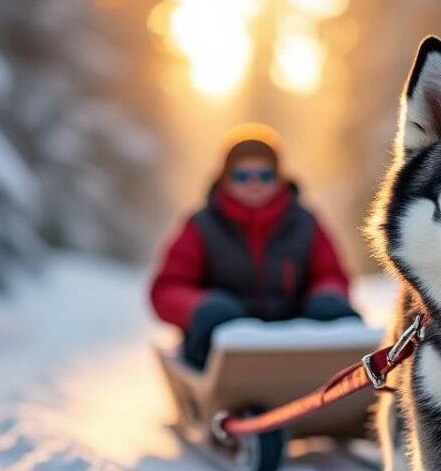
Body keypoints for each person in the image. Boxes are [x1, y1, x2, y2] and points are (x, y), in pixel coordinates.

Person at [150, 123, 360, 369]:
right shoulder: (201, 225)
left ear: (278, 177)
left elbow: (331, 273)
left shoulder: (305, 223)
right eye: (242, 176)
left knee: (334, 311)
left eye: (264, 175)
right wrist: (200, 306)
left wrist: (327, 297)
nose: (254, 183)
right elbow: (167, 288)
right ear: (225, 178)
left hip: (293, 341)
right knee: (214, 316)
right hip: (220, 350)